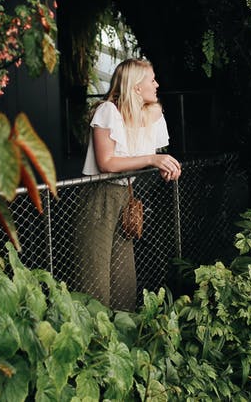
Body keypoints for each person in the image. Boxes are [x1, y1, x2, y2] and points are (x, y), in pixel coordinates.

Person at [74, 58, 181, 310]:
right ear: (135, 87)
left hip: (125, 195)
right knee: (94, 276)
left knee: (124, 281)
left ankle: (122, 340)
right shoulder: (108, 111)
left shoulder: (147, 114)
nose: (156, 84)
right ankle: (93, 342)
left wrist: (163, 167)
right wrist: (153, 159)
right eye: (151, 79)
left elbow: (143, 159)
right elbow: (107, 163)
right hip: (99, 196)